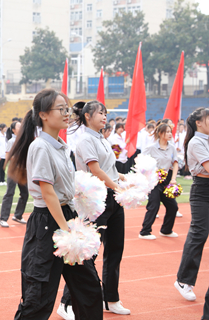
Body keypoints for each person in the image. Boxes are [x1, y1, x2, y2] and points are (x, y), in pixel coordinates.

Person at [8, 89, 103, 320]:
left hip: (67, 217)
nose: (66, 113)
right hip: (48, 224)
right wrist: (66, 229)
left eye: (67, 108)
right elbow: (47, 191)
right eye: (60, 109)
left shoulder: (61, 146)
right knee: (38, 298)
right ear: (43, 115)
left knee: (89, 289)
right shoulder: (40, 146)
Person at [60, 100, 130, 317]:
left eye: (105, 113)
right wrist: (117, 185)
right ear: (88, 116)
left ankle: (111, 298)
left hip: (114, 197)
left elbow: (109, 168)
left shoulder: (102, 139)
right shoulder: (84, 140)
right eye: (100, 113)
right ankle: (66, 303)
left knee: (115, 249)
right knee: (88, 252)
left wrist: (124, 179)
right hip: (95, 200)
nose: (104, 116)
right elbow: (96, 170)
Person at [174, 108, 209, 304]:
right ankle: (183, 280)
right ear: (199, 123)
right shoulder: (197, 142)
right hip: (202, 192)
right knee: (199, 233)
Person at [138, 123, 179, 240]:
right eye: (167, 132)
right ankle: (144, 231)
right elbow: (141, 163)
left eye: (171, 131)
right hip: (153, 181)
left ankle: (166, 230)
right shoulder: (150, 148)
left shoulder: (172, 148)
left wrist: (173, 179)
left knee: (173, 206)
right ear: (160, 134)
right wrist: (152, 173)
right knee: (154, 205)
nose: (170, 134)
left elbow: (175, 163)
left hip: (166, 180)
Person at [0, 121, 28, 227]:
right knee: (10, 193)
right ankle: (3, 218)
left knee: (25, 193)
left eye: (21, 125)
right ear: (13, 130)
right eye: (18, 126)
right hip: (14, 169)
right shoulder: (12, 141)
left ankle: (18, 215)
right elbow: (8, 156)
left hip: (23, 170)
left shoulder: (24, 140)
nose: (21, 127)